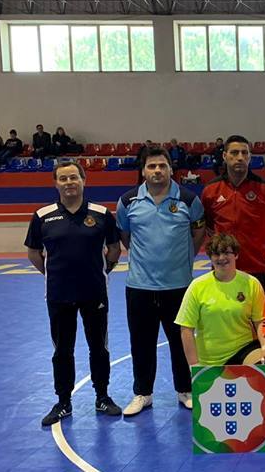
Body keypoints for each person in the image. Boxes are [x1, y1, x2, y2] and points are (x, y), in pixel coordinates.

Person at [25, 161, 123, 426]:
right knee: (62, 351)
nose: (69, 183)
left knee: (98, 348)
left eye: (74, 177)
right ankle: (63, 401)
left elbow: (114, 248)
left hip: (94, 292)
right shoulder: (43, 215)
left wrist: (105, 269)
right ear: (56, 183)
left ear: (84, 180)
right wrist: (51, 273)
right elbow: (34, 252)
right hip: (59, 294)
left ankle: (102, 396)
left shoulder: (101, 213)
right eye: (63, 178)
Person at [116, 148, 206, 416]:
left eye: (162, 166)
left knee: (180, 342)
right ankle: (143, 393)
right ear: (143, 170)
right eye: (152, 166)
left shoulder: (189, 199)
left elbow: (198, 233)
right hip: (140, 287)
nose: (157, 171)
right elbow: (125, 236)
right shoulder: (128, 201)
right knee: (141, 343)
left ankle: (185, 390)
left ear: (170, 169)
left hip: (178, 286)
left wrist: (183, 260)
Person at [176, 233, 265, 367]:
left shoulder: (251, 283)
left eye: (226, 253)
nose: (221, 258)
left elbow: (260, 321)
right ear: (210, 258)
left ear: (236, 255)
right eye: (216, 254)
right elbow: (186, 328)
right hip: (211, 360)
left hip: (244, 349)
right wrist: (194, 365)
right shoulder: (197, 286)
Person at [201, 135, 265, 293]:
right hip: (223, 268)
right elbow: (209, 226)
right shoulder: (210, 190)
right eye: (234, 153)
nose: (240, 158)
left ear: (250, 157)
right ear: (224, 156)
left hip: (258, 270)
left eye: (245, 153)